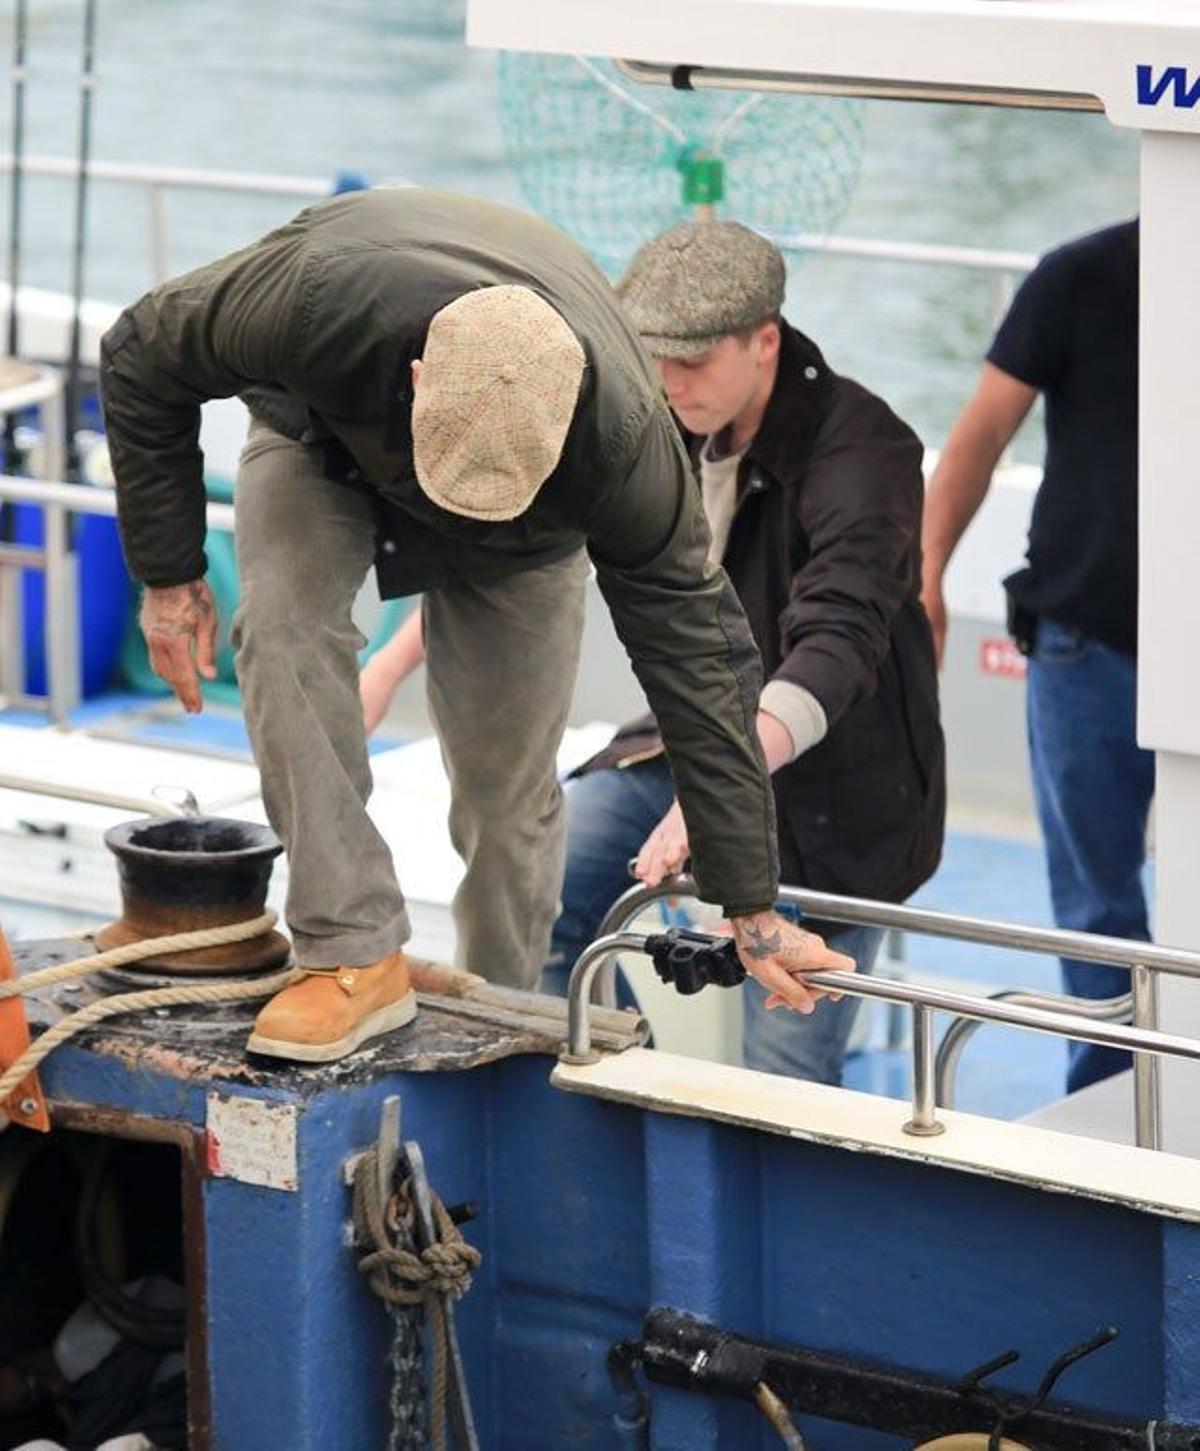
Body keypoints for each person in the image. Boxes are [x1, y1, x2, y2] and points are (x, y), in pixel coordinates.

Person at [99, 187, 854, 1064]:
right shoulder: (306, 300)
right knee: (280, 624)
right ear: (419, 379)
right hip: (325, 439)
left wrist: (750, 907)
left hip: (534, 530)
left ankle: (504, 1003)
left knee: (506, 786)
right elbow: (139, 353)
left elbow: (701, 667)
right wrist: (169, 573)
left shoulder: (625, 451)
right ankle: (350, 953)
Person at [545, 219, 944, 1086]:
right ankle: (634, 1100)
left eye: (691, 361)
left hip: (838, 786)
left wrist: (712, 792)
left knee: (785, 1062)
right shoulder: (666, 418)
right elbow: (549, 537)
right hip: (694, 740)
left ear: (765, 340)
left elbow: (839, 636)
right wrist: (390, 665)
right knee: (545, 885)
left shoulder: (865, 455)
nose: (666, 381)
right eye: (654, 357)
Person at [920, 219, 1144, 1093]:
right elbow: (980, 436)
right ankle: (1112, 1104)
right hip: (1083, 638)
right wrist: (928, 575)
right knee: (1096, 906)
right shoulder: (1078, 273)